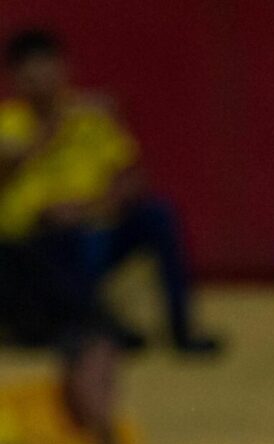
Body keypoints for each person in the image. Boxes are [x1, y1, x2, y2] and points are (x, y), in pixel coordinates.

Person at [0, 29, 219, 352]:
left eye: (48, 67)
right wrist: (63, 117)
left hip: (93, 227)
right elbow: (11, 161)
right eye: (31, 71)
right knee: (60, 240)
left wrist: (98, 206)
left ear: (64, 68)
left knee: (157, 214)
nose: (41, 78)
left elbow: (132, 176)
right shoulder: (8, 122)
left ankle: (181, 328)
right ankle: (96, 324)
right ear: (16, 77)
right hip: (33, 246)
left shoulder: (91, 119)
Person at [0, 324, 145, 444]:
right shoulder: (19, 403)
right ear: (70, 372)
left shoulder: (119, 432)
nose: (107, 390)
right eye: (99, 378)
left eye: (112, 379)